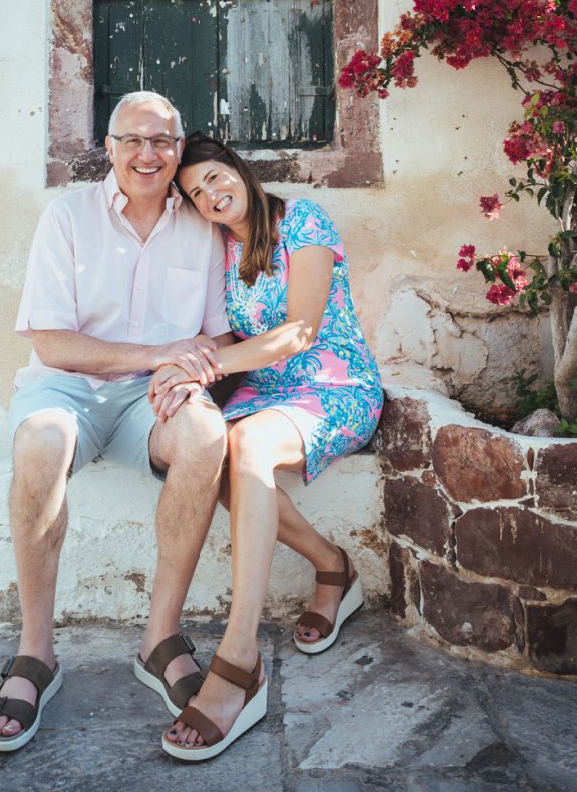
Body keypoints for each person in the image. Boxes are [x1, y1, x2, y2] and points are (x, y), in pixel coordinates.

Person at [0, 94, 231, 752]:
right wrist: (153, 354)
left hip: (153, 399)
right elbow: (51, 342)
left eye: (164, 142)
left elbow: (215, 338)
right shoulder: (66, 218)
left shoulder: (202, 227)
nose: (149, 154)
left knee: (207, 436)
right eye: (134, 140)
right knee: (40, 441)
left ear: (180, 149)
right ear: (110, 147)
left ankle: (161, 639)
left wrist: (188, 372)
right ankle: (36, 654)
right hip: (66, 387)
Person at [150, 133, 384, 762]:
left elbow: (302, 330)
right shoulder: (217, 248)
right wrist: (177, 377)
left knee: (246, 441)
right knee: (214, 453)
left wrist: (204, 368)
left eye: (215, 177)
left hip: (332, 382)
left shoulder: (301, 219)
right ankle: (333, 565)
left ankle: (239, 654)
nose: (211, 194)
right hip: (258, 391)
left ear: (238, 167)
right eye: (197, 193)